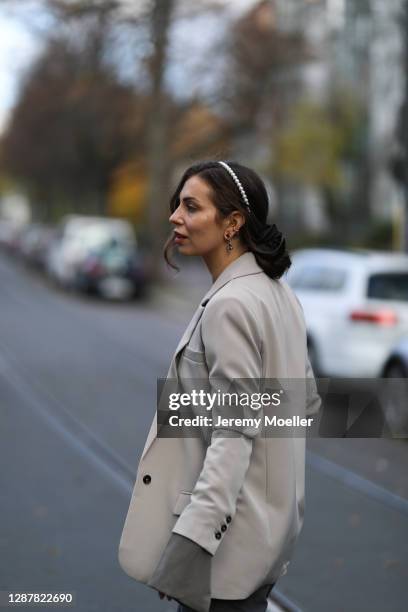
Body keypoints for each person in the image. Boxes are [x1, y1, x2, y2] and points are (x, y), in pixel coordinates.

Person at [118, 160, 320, 612]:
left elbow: (234, 434)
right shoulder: (278, 292)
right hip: (267, 534)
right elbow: (302, 403)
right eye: (177, 205)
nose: (175, 217)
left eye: (191, 207)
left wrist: (190, 543)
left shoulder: (231, 304)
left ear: (232, 223)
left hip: (225, 548)